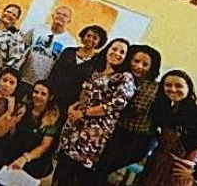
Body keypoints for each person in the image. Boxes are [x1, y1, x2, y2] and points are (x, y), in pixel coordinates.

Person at [52, 38, 136, 186]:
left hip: (94, 133)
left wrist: (85, 113)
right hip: (75, 125)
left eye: (122, 52)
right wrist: (73, 107)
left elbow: (117, 104)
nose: (117, 53)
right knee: (62, 167)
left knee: (76, 175)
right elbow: (85, 93)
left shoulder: (125, 77)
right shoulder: (98, 72)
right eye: (114, 49)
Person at [138, 70, 197, 186]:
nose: (173, 89)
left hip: (179, 171)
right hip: (157, 163)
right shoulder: (165, 109)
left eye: (178, 86)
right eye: (168, 85)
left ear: (188, 88)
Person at [96, 45, 162, 185]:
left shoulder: (156, 89)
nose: (139, 67)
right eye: (136, 61)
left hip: (137, 139)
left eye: (145, 64)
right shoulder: (120, 78)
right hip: (116, 132)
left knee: (104, 170)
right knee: (98, 170)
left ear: (152, 67)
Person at [0, 80, 62, 183]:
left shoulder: (53, 118)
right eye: (36, 92)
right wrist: (12, 114)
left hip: (33, 157)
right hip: (16, 148)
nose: (38, 96)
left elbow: (44, 146)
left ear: (50, 97)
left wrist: (25, 158)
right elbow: (11, 132)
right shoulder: (24, 107)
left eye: (43, 94)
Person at [47, 24, 109, 113]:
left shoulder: (98, 62)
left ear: (99, 42)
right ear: (83, 36)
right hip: (54, 96)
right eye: (88, 35)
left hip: (74, 104)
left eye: (95, 38)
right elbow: (54, 72)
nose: (90, 39)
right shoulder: (68, 51)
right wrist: (48, 91)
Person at [19, 6, 78, 95]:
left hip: (45, 87)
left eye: (65, 15)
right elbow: (22, 46)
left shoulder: (71, 42)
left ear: (69, 21)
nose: (61, 16)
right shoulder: (38, 29)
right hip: (23, 78)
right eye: (58, 13)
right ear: (53, 15)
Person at [0, 4, 26, 77]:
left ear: (16, 20)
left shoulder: (16, 39)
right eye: (8, 12)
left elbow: (14, 62)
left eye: (13, 15)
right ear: (3, 12)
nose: (9, 15)